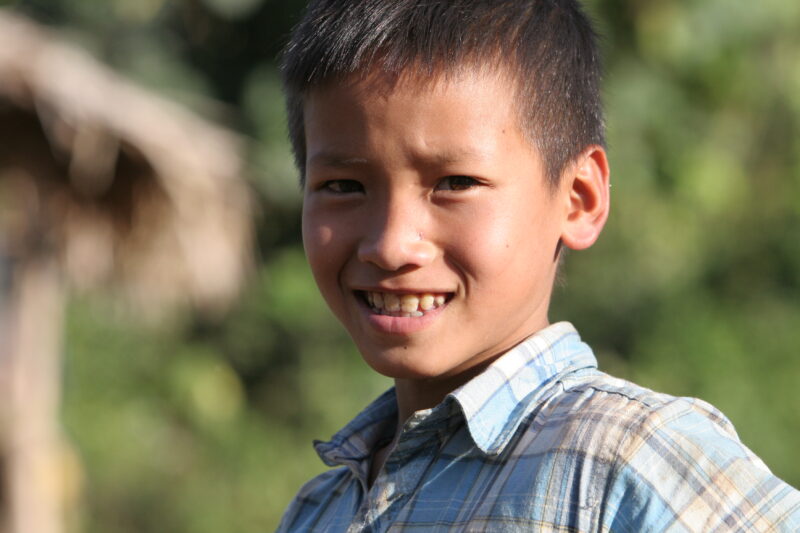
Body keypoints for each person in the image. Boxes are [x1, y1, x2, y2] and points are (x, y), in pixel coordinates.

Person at [276, 1, 800, 531]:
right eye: (343, 187)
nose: (390, 246)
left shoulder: (626, 463)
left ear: (578, 199)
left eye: (455, 184)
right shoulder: (320, 509)